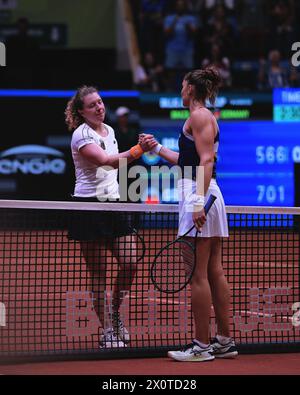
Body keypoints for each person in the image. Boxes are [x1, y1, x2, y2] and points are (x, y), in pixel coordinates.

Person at [140, 68, 238, 361]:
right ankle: (223, 341)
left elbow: (207, 160)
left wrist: (196, 201)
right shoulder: (199, 118)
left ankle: (201, 346)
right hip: (206, 194)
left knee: (198, 274)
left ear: (191, 91)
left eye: (182, 87)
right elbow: (187, 161)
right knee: (213, 271)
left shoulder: (199, 116)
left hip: (200, 196)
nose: (180, 91)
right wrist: (156, 148)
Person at [64, 86, 155, 348]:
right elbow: (106, 161)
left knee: (130, 262)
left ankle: (114, 316)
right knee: (99, 274)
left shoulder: (111, 131)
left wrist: (138, 150)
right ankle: (107, 332)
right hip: (88, 208)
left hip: (114, 205)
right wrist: (139, 149)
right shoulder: (81, 135)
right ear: (81, 111)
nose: (99, 107)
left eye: (100, 102)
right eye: (92, 105)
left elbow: (116, 160)